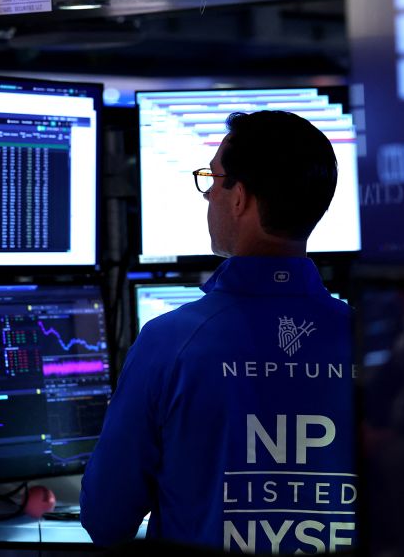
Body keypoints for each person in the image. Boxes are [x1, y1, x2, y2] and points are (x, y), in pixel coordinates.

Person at [80, 110, 356, 554]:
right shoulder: (377, 345)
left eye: (214, 178)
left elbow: (106, 520)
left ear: (239, 198)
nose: (208, 192)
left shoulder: (169, 342)